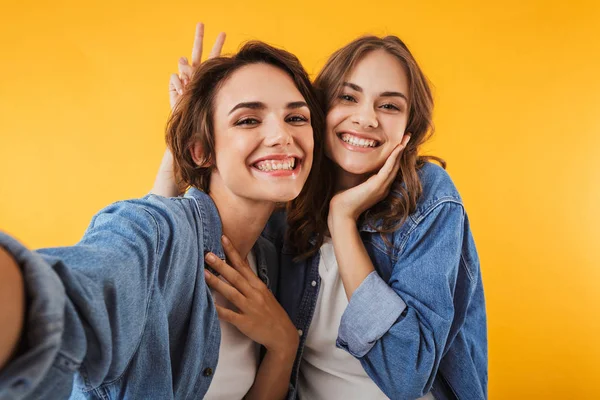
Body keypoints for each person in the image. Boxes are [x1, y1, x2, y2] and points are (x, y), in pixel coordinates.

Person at [156, 26, 488, 400]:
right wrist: (191, 123)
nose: (367, 119)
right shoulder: (284, 191)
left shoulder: (427, 196)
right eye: (348, 97)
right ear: (320, 108)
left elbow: (405, 375)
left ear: (408, 129)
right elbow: (177, 237)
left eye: (390, 105)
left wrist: (342, 220)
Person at [0, 37, 327, 400]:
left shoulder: (269, 258)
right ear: (201, 150)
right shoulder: (154, 233)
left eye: (296, 117)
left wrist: (282, 347)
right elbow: (79, 292)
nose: (282, 135)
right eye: (248, 119)